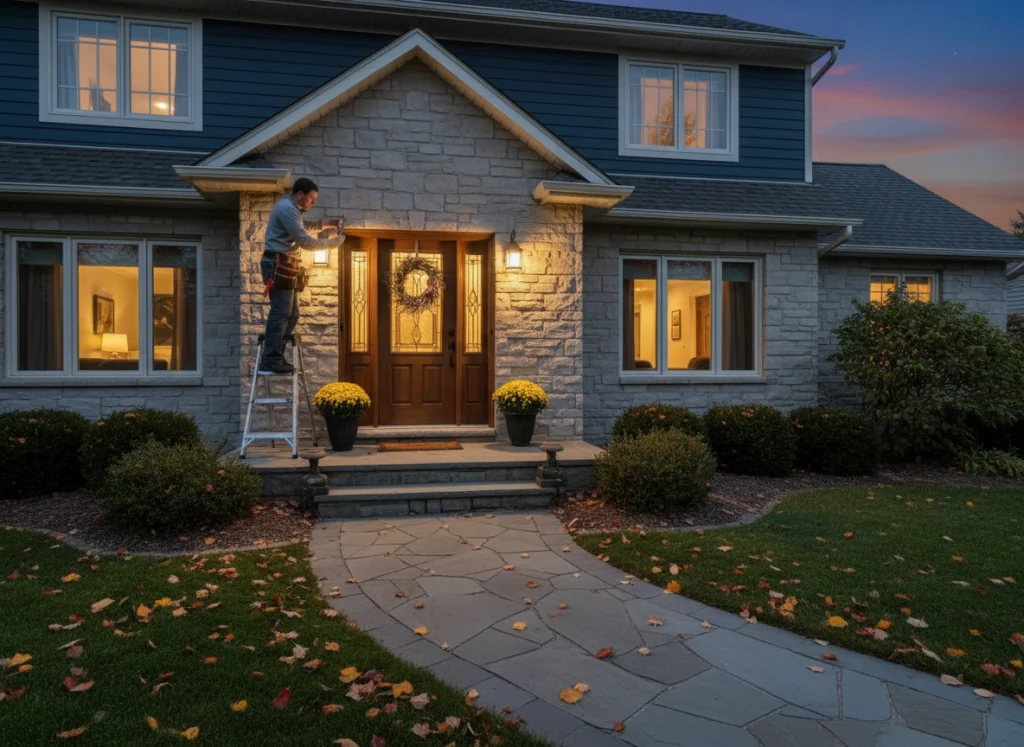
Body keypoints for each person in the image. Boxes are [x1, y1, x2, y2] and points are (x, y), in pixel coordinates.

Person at [260, 177, 343, 374]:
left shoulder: (292, 210)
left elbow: (302, 226)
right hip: (278, 265)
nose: (313, 203)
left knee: (292, 314)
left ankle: (276, 355)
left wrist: (326, 224)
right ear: (300, 194)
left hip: (287, 265)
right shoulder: (287, 209)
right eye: (312, 199)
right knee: (281, 312)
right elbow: (305, 241)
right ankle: (271, 359)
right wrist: (333, 243)